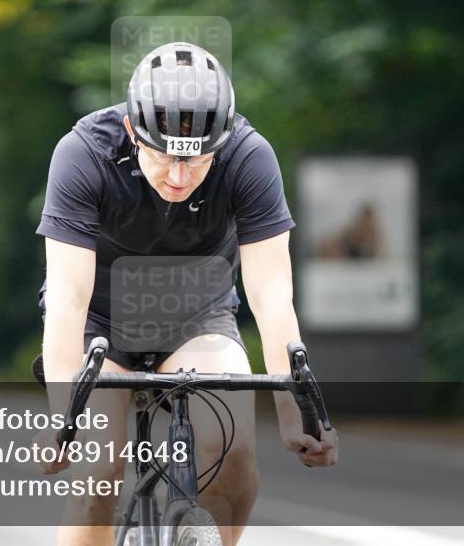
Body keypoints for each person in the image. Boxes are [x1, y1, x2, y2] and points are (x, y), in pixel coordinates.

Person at [35, 42, 339, 546]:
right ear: (133, 131)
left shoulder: (248, 155)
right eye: (164, 158)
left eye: (197, 162)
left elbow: (270, 295)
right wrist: (60, 419)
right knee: (99, 469)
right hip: (99, 324)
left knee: (235, 447)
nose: (179, 177)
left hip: (198, 317)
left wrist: (297, 417)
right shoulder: (83, 152)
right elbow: (68, 296)